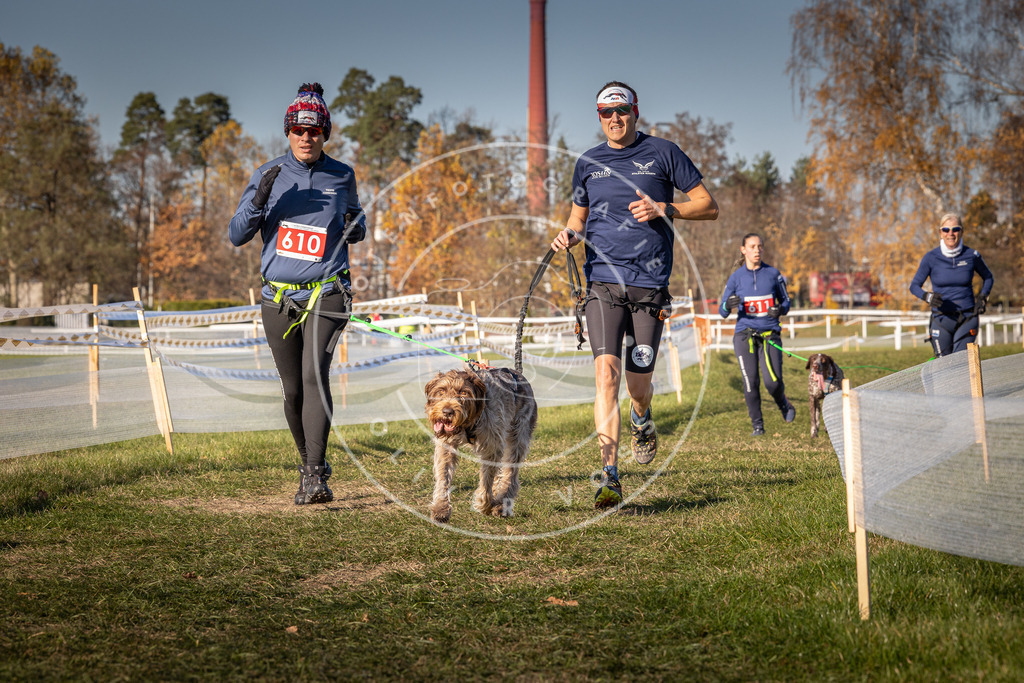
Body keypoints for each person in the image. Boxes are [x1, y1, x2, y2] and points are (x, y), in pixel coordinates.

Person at [550, 81, 719, 509]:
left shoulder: (664, 153)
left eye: (621, 110)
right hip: (603, 282)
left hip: (650, 286)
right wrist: (568, 236)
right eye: (605, 113)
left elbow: (708, 204)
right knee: (605, 375)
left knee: (637, 383)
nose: (614, 118)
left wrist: (667, 208)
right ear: (599, 116)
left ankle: (642, 417)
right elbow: (578, 218)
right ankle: (610, 476)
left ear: (635, 111)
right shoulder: (588, 162)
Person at [229, 83, 366, 505]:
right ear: (288, 132)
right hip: (278, 297)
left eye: (314, 131)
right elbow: (237, 235)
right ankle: (312, 460)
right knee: (292, 390)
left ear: (325, 133)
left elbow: (357, 230)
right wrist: (259, 200)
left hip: (327, 291)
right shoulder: (267, 174)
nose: (306, 138)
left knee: (314, 377)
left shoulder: (341, 174)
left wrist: (354, 223)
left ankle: (312, 476)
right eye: (298, 130)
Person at [718, 233, 796, 436]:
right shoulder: (736, 278)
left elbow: (786, 302)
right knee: (750, 383)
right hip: (745, 336)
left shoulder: (773, 274)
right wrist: (729, 304)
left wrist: (779, 309)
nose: (757, 250)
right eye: (752, 246)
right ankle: (758, 426)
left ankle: (783, 404)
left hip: (770, 334)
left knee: (772, 381)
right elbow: (722, 311)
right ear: (743, 250)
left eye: (760, 246)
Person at [909, 213, 994, 357]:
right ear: (940, 233)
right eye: (946, 230)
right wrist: (928, 297)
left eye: (955, 229)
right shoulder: (931, 257)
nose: (951, 233)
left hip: (967, 318)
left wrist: (983, 297)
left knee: (960, 363)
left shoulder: (972, 255)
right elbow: (914, 286)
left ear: (961, 232)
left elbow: (988, 277)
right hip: (941, 319)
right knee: (944, 367)